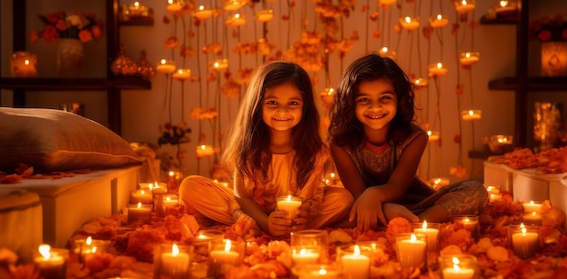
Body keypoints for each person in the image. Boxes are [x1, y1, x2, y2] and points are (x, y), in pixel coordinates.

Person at [179, 61, 353, 236]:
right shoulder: (250, 147)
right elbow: (243, 197)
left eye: (293, 103)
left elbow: (307, 201)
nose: (283, 111)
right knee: (190, 186)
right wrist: (265, 222)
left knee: (343, 199)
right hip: (252, 209)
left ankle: (253, 224)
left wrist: (303, 218)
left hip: (290, 215)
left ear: (305, 108)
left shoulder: (315, 151)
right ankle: (245, 219)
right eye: (272, 102)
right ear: (258, 105)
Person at [328, 53, 488, 232]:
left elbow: (397, 187)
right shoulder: (340, 143)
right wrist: (385, 208)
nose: (375, 107)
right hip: (365, 205)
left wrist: (376, 194)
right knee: (340, 205)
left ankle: (416, 223)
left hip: (415, 204)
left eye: (385, 98)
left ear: (399, 98)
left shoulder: (415, 137)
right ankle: (392, 221)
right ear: (350, 103)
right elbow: (358, 194)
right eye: (364, 100)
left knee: (475, 189)